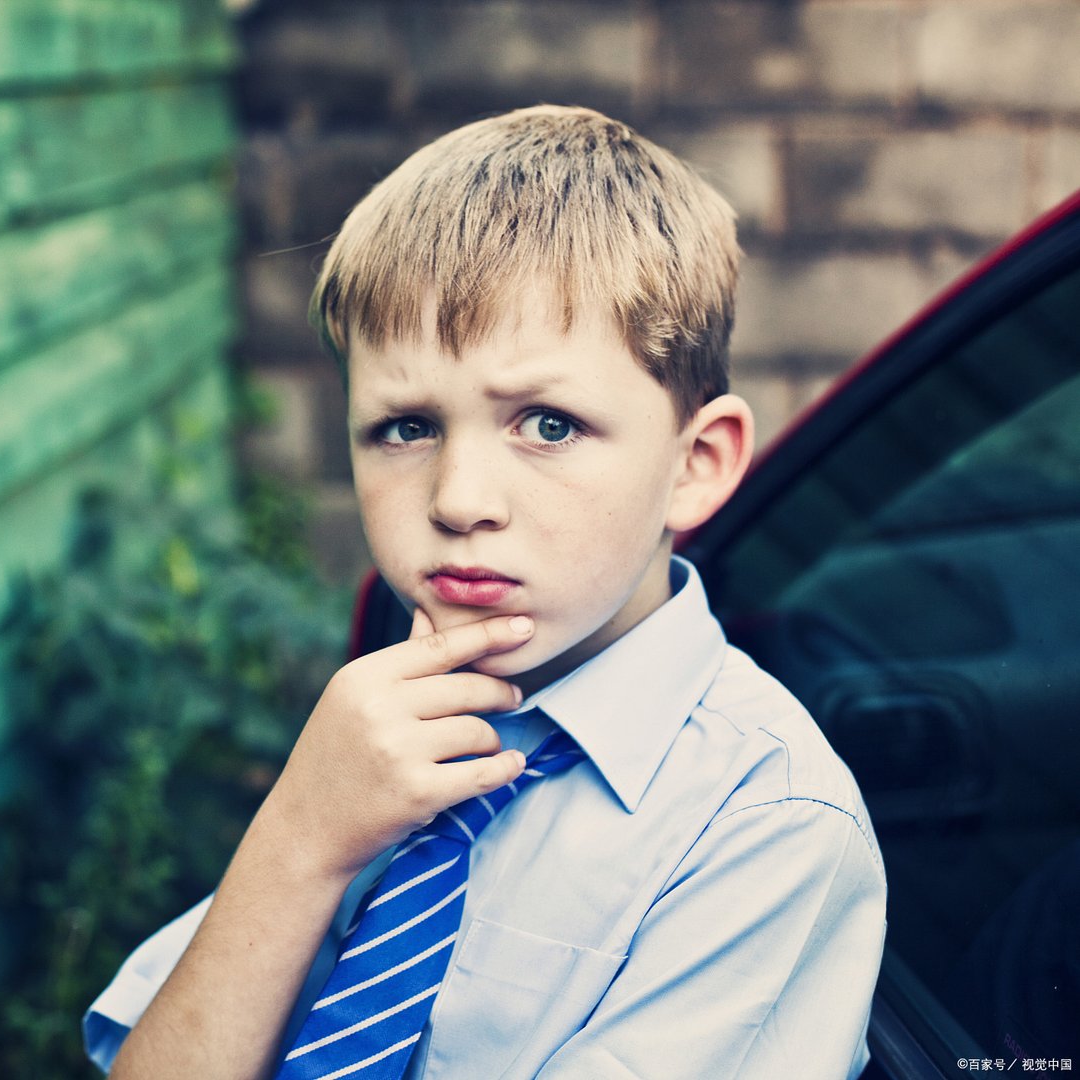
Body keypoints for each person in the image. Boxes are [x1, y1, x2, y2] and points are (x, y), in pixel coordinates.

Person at [84, 104, 887, 1079]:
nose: (458, 501)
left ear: (695, 464)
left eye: (547, 425)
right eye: (406, 427)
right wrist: (301, 840)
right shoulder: (383, 734)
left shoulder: (765, 829)